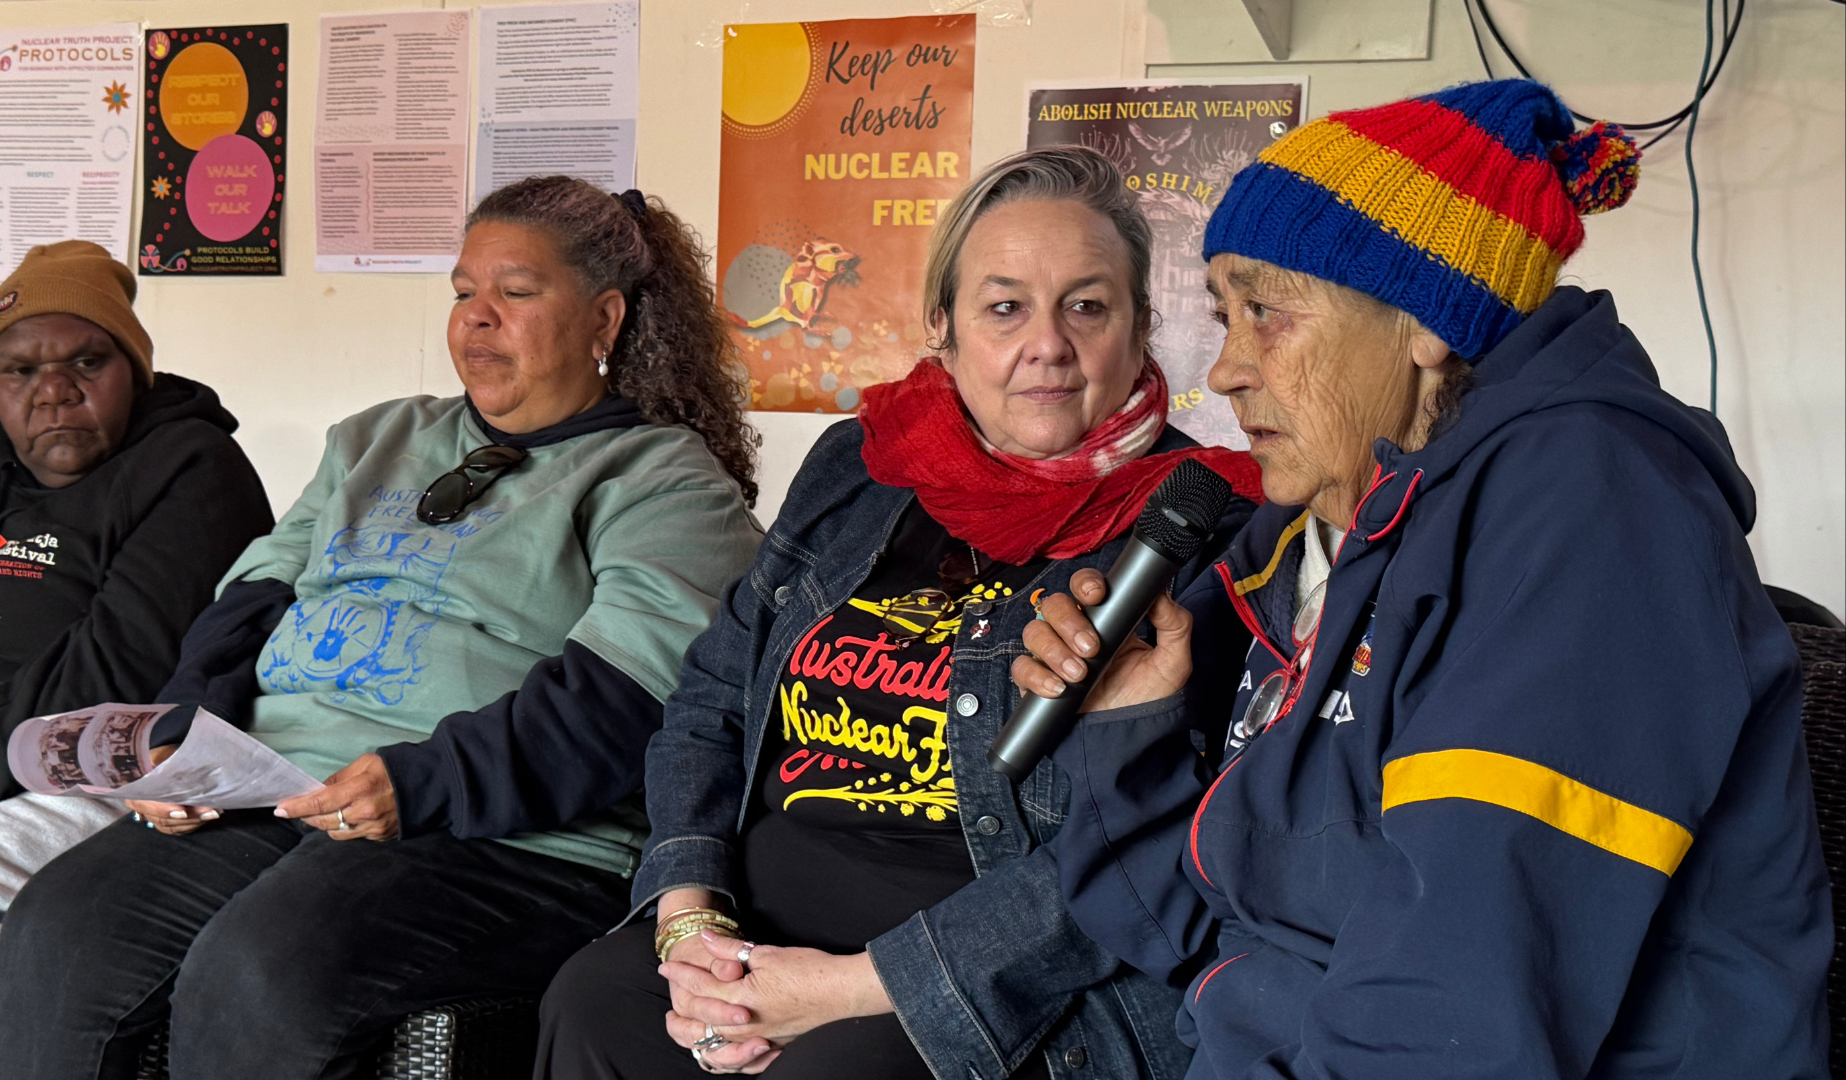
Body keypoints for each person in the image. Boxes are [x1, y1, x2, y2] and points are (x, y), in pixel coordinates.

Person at [1016, 80, 1831, 1078]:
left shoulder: (1595, 505)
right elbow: (1194, 930)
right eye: (1225, 315)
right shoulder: (1300, 535)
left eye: (1266, 311)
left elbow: (1457, 1015)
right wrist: (1128, 730)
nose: (1224, 370)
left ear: (1423, 319)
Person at [0, 177, 766, 1080]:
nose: (477, 318)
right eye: (464, 292)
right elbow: (249, 603)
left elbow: (619, 706)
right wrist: (187, 737)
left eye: (515, 292)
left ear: (605, 319)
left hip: (505, 835)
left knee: (262, 968)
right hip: (280, 789)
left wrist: (424, 780)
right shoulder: (375, 438)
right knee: (61, 923)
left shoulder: (663, 484)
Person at [537, 146, 1263, 1079]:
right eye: (1005, 308)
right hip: (758, 927)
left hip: (991, 984)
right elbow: (714, 699)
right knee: (593, 1003)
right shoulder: (858, 468)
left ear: (1141, 329)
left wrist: (846, 989)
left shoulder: (1201, 528)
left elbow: (1161, 850)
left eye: (1087, 307)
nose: (1048, 344)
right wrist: (690, 920)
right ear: (943, 329)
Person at [0, 240, 273, 1080]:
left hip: (80, 771)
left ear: (135, 371)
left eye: (87, 361)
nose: (54, 390)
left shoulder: (192, 468)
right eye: (20, 371)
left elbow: (107, 678)